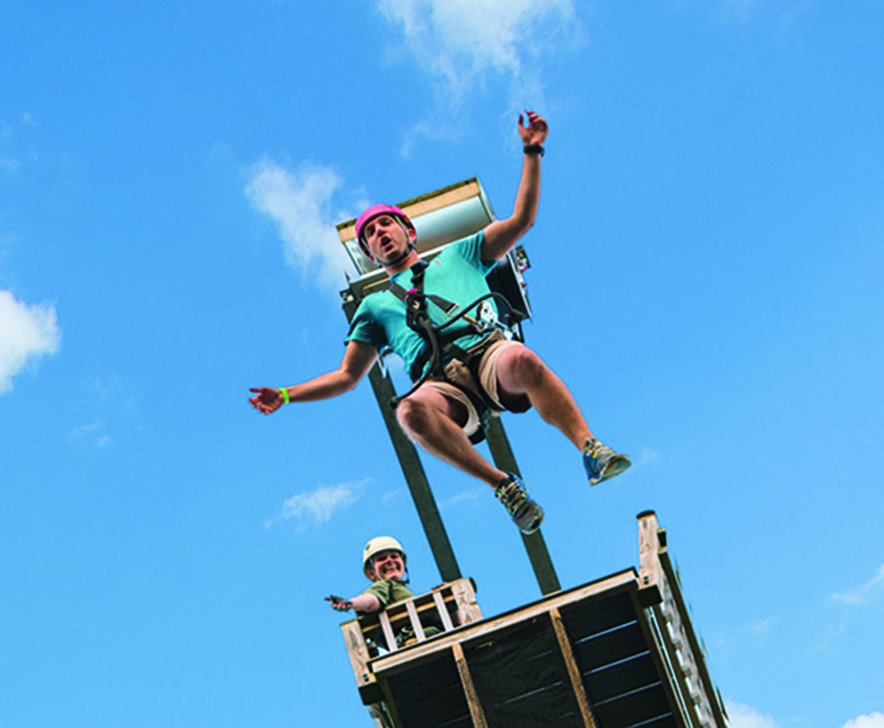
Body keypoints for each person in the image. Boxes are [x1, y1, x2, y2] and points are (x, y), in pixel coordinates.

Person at [250, 110, 628, 536]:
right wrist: (286, 394)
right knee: (408, 412)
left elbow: (521, 220)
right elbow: (346, 377)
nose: (380, 234)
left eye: (385, 224)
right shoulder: (374, 305)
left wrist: (532, 151)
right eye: (370, 234)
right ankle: (504, 487)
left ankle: (589, 446)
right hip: (439, 382)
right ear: (371, 254)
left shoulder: (459, 254)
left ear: (408, 230)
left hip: (486, 352)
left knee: (521, 358)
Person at [327, 535, 440, 647]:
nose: (389, 561)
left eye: (394, 556)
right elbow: (371, 600)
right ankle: (410, 641)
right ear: (372, 573)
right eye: (382, 559)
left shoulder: (401, 590)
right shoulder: (384, 584)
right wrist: (351, 603)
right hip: (410, 637)